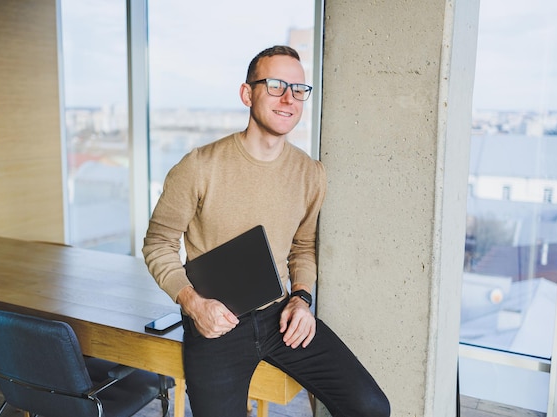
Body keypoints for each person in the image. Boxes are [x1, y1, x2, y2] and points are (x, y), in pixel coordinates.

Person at [143, 45, 390, 417]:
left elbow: (303, 248)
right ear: (248, 93)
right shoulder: (198, 166)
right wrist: (194, 304)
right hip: (215, 323)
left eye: (298, 89)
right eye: (275, 85)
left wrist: (301, 300)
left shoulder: (311, 174)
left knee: (370, 407)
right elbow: (158, 244)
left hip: (281, 316)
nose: (289, 98)